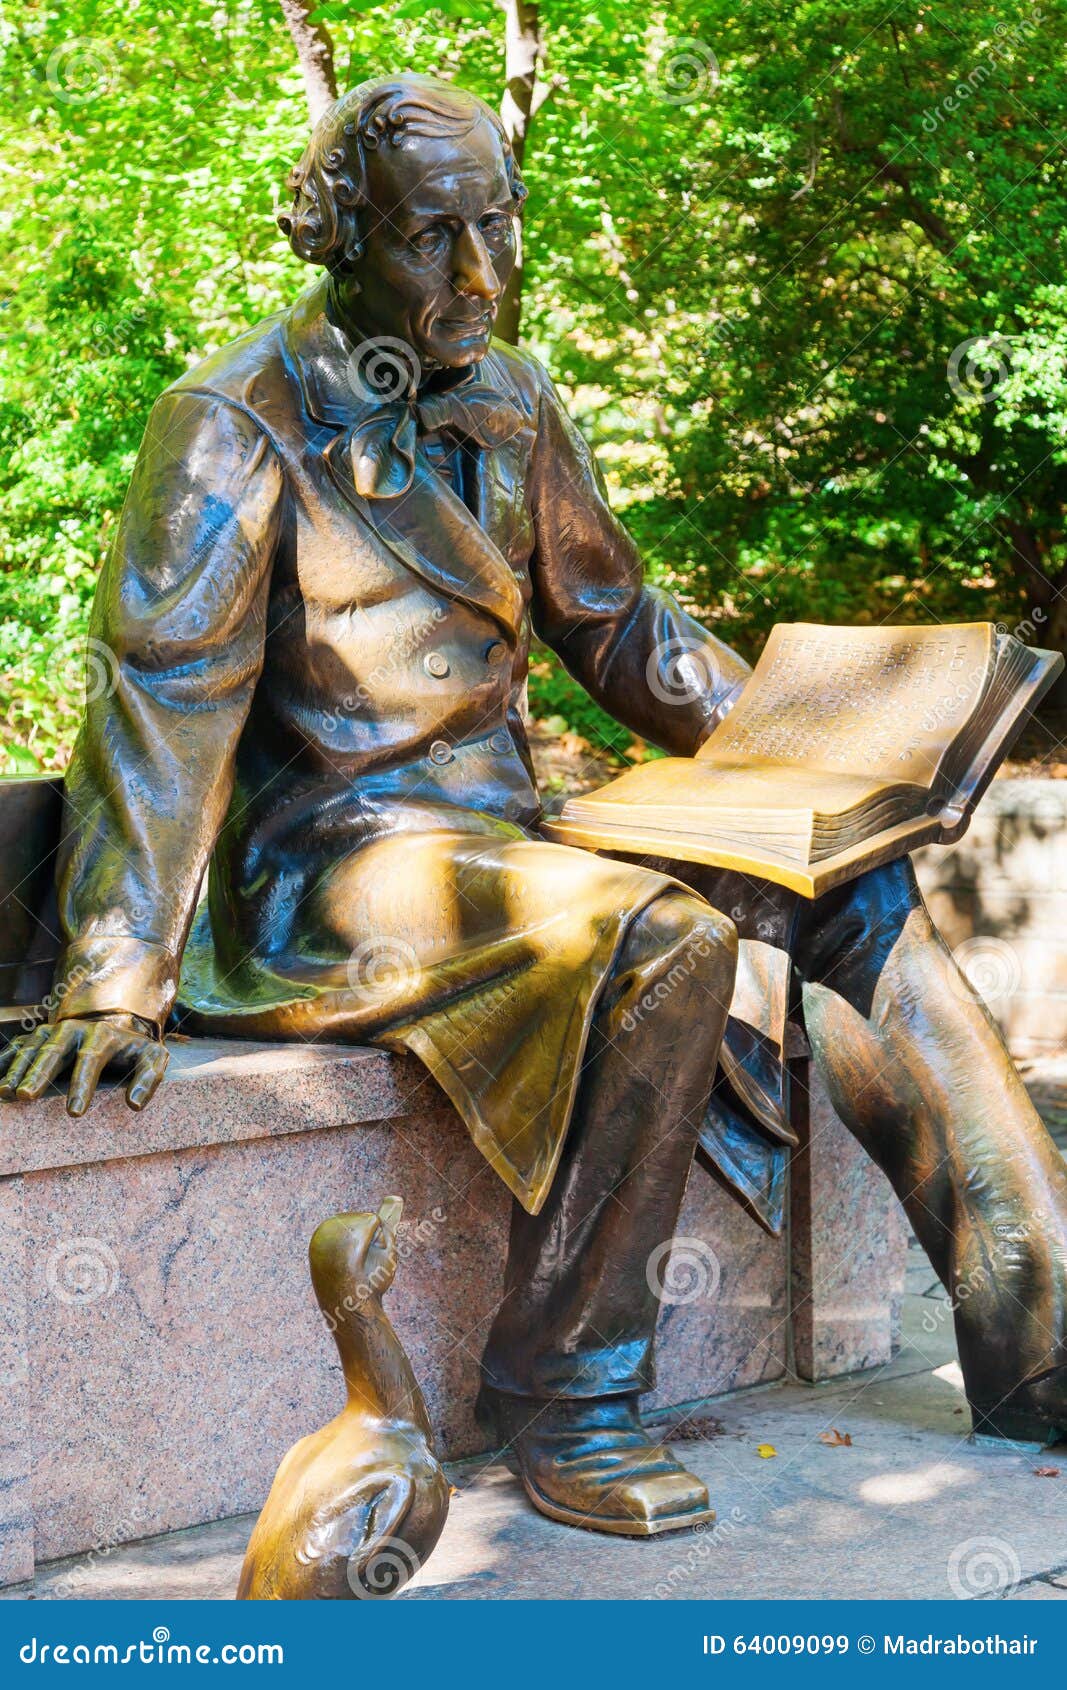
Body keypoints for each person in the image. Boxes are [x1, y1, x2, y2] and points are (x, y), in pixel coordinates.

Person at [3, 77, 1064, 1537]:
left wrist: (818, 750)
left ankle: (1042, 1328)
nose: (481, 273)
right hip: (335, 864)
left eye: (497, 223)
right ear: (340, 235)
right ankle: (570, 1388)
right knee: (667, 939)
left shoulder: (513, 397)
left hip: (506, 843)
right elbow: (163, 701)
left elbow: (622, 626)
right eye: (435, 236)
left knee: (862, 879)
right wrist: (113, 967)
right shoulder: (235, 422)